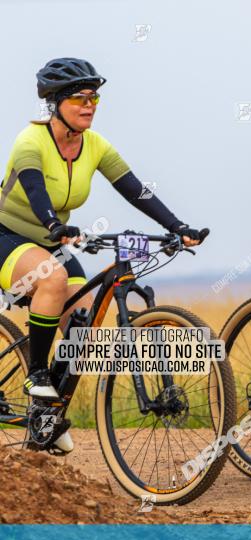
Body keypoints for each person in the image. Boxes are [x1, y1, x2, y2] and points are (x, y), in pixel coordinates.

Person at [0, 58, 205, 453]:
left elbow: (135, 189)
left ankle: (46, 415)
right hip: (8, 235)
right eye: (80, 97)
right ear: (55, 103)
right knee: (53, 279)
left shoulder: (94, 145)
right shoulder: (31, 141)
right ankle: (37, 375)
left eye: (94, 97)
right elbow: (36, 189)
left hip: (50, 240)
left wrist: (178, 226)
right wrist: (54, 226)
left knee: (82, 326)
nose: (89, 104)